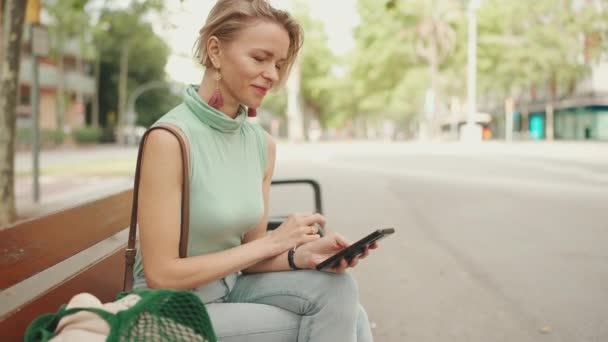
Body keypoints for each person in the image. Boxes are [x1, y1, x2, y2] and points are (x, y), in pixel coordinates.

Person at [131, 0, 377, 341]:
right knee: (347, 317)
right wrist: (273, 242)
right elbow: (162, 274)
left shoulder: (261, 145)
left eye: (278, 64)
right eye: (259, 58)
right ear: (215, 51)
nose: (273, 75)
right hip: (169, 308)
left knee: (338, 289)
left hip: (231, 288)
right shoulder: (170, 140)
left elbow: (248, 257)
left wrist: (302, 256)